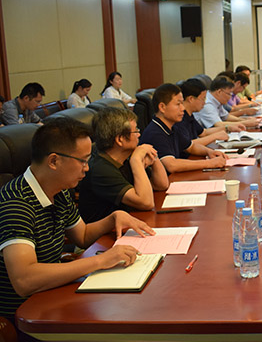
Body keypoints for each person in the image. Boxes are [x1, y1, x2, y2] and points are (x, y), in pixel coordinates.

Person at [0, 117, 154, 324]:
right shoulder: (16, 204)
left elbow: (81, 235)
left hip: (53, 293)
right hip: (27, 314)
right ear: (54, 161)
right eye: (83, 160)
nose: (87, 168)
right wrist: (100, 261)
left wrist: (113, 218)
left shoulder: (59, 189)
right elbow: (24, 280)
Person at [78, 107, 169, 223]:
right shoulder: (101, 169)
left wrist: (153, 156)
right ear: (120, 139)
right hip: (107, 233)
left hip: (131, 221)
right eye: (135, 131)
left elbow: (161, 185)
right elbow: (146, 203)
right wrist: (136, 160)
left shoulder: (125, 157)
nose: (139, 135)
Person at [139, 83, 227, 173]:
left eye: (182, 103)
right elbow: (171, 165)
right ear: (162, 107)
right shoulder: (155, 132)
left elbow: (191, 147)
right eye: (178, 104)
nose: (183, 108)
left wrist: (209, 152)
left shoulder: (172, 127)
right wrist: (209, 163)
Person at [177, 78, 244, 146]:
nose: (204, 102)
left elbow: (203, 132)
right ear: (191, 99)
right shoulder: (180, 118)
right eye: (203, 98)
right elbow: (188, 145)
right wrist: (215, 136)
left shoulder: (189, 115)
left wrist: (227, 128)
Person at [195, 76, 259, 130]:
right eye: (229, 94)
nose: (230, 97)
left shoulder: (216, 100)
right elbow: (218, 125)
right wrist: (245, 123)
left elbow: (226, 116)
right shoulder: (207, 104)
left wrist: (243, 120)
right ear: (219, 92)